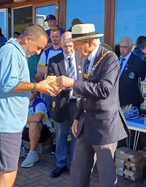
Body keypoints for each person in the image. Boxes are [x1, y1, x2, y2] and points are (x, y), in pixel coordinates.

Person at [0, 24, 55, 187]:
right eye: (38, 47)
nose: (38, 52)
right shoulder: (12, 52)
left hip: (4, 122)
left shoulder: (12, 52)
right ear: (28, 39)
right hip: (4, 124)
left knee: (2, 169)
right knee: (8, 171)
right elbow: (9, 84)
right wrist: (37, 86)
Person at [56, 23, 129, 187]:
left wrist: (73, 83)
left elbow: (104, 90)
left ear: (89, 41)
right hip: (85, 122)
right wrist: (77, 117)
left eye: (76, 44)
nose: (74, 49)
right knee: (78, 171)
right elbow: (85, 92)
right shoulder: (84, 58)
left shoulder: (110, 58)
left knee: (106, 176)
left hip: (104, 125)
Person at [48, 32, 83, 178]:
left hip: (79, 105)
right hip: (61, 103)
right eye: (64, 46)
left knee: (76, 135)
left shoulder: (82, 59)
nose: (68, 49)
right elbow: (51, 81)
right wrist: (53, 88)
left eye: (70, 46)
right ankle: (60, 164)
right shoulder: (54, 61)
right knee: (61, 135)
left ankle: (73, 164)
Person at [21, 91, 52, 168]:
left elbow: (37, 118)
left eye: (30, 92)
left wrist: (20, 118)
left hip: (44, 132)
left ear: (35, 92)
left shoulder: (39, 103)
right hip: (27, 131)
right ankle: (19, 149)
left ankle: (33, 154)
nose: (27, 94)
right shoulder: (22, 102)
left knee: (34, 123)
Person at [118, 37, 146, 108]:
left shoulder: (138, 63)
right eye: (121, 47)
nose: (122, 49)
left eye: (125, 47)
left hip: (129, 104)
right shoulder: (114, 60)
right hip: (114, 102)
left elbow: (142, 85)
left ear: (131, 48)